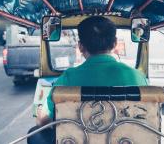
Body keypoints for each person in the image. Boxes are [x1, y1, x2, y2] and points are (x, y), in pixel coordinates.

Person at [27, 16, 148, 144]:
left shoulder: (68, 78)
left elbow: (42, 122)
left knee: (34, 133)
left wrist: (41, 113)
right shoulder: (137, 76)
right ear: (114, 43)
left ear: (80, 47)